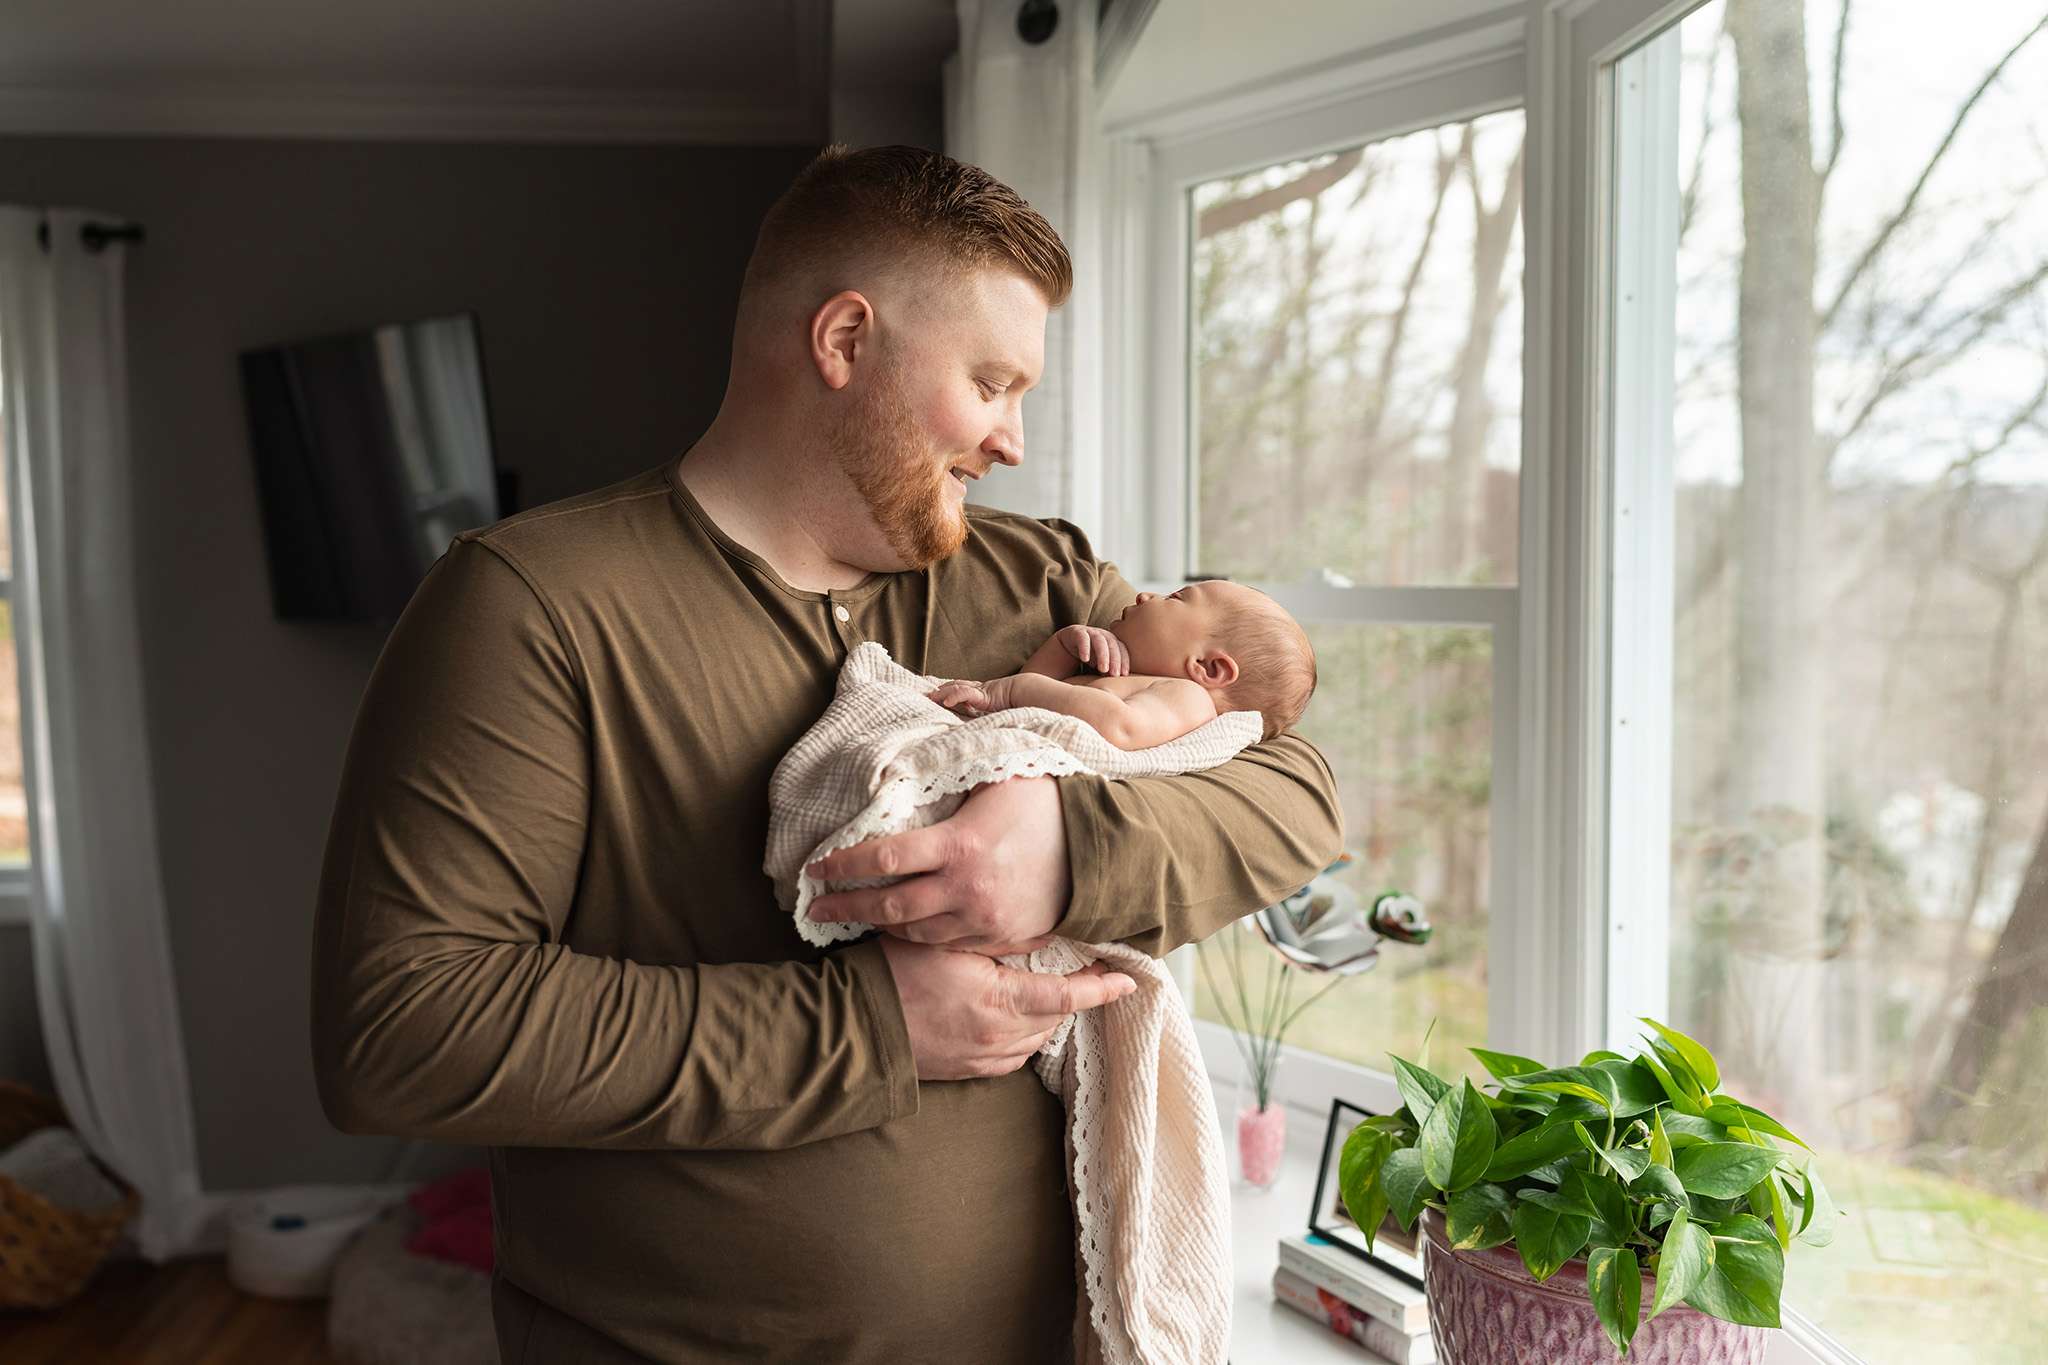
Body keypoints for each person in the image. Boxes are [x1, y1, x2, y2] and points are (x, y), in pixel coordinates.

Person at [311, 144, 1342, 1365]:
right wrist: (870, 1029)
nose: (1011, 441)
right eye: (992, 382)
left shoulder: (1045, 586)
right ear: (844, 340)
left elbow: (1294, 782)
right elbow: (401, 1028)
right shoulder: (530, 606)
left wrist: (1065, 853)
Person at [925, 580, 1317, 748]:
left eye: (1176, 598)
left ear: (1208, 669)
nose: (1146, 595)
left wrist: (1005, 690)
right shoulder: (1140, 685)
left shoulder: (1189, 700)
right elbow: (1036, 705)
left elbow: (1117, 727)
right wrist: (1063, 647)